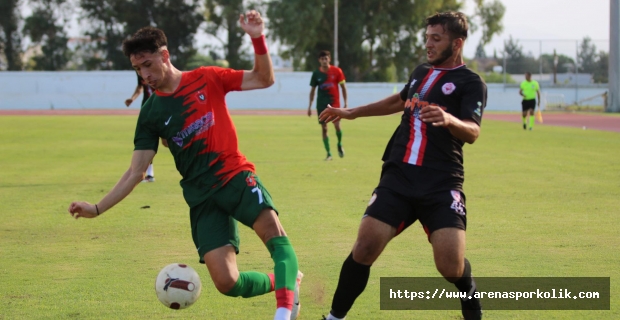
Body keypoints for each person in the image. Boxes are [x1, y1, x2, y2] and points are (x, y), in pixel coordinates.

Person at [67, 11, 302, 320]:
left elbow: (264, 78)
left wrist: (257, 37)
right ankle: (287, 281)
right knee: (227, 283)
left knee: (275, 236)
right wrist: (97, 208)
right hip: (201, 196)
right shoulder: (150, 113)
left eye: (148, 65)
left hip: (234, 176)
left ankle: (284, 314)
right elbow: (136, 172)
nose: (144, 76)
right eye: (138, 69)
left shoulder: (207, 77)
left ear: (165, 55)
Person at [319, 11, 486, 320]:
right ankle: (333, 318)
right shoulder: (421, 71)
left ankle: (469, 291)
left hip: (441, 183)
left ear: (457, 43)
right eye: (427, 38)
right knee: (364, 248)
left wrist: (449, 119)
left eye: (437, 39)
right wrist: (352, 112)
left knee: (451, 267)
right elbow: (399, 100)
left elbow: (473, 131)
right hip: (398, 178)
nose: (429, 44)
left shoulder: (471, 82)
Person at [308, 50, 348, 161]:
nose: (324, 61)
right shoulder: (316, 74)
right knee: (324, 128)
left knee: (337, 125)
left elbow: (343, 87)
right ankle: (329, 153)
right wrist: (309, 106)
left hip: (334, 103)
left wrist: (346, 102)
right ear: (319, 60)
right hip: (321, 104)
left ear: (329, 59)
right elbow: (312, 91)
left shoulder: (337, 71)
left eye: (326, 58)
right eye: (322, 59)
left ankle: (339, 144)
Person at [125, 74, 159, 182]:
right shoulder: (140, 72)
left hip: (160, 108)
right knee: (147, 140)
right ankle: (149, 174)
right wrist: (132, 98)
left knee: (169, 141)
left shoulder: (158, 71)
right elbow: (140, 87)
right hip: (146, 109)